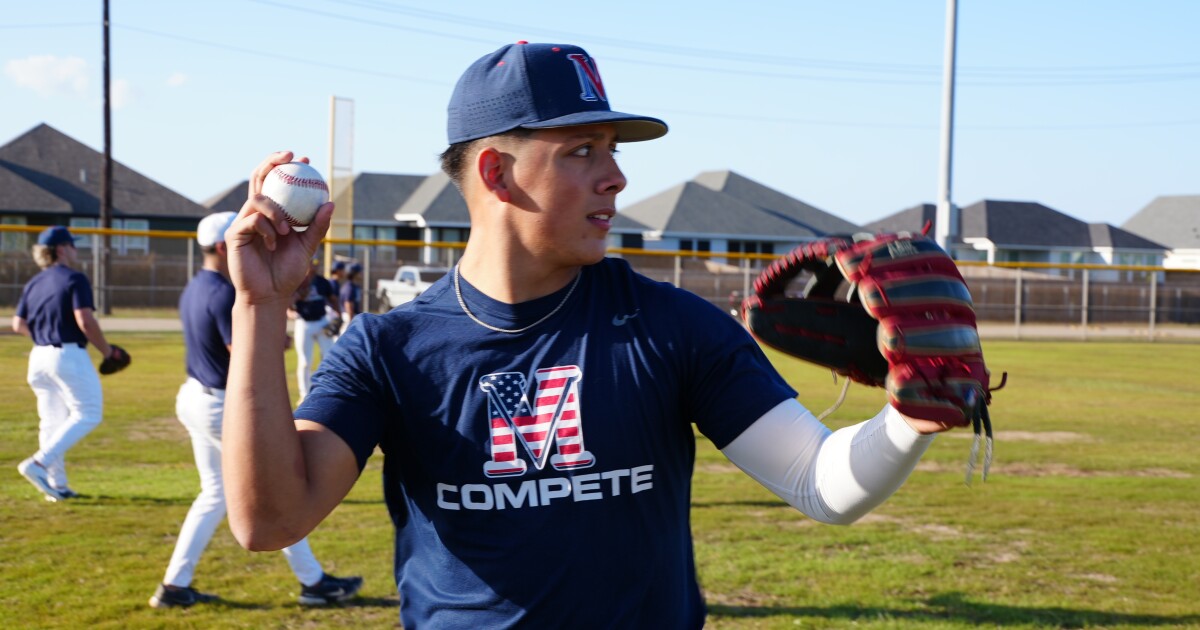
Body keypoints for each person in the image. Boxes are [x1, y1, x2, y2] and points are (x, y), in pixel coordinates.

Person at [221, 42, 960, 627]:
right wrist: (258, 307)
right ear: (497, 172)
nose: (615, 177)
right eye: (582, 150)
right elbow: (269, 519)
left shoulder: (671, 325)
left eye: (613, 149)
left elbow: (817, 481)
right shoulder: (389, 348)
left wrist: (907, 421)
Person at [149, 211, 362, 609]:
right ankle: (313, 582)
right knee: (276, 491)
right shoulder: (224, 293)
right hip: (220, 404)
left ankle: (175, 585)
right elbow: (245, 355)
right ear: (220, 247)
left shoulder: (197, 285)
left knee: (215, 494)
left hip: (196, 395)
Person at [12, 226, 120, 502]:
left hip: (38, 355)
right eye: (71, 245)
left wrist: (43, 339)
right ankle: (38, 464)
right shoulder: (74, 278)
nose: (75, 249)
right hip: (67, 354)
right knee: (89, 413)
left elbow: (18, 324)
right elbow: (85, 321)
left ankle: (55, 485)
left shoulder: (34, 282)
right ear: (61, 249)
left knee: (52, 421)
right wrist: (108, 352)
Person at [289, 258, 338, 400]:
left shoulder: (322, 281)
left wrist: (337, 315)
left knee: (329, 357)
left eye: (315, 264)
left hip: (322, 322)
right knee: (305, 361)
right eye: (311, 263)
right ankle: (304, 395)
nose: (314, 267)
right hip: (304, 323)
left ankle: (328, 389)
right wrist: (293, 308)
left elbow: (333, 299)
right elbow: (288, 304)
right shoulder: (297, 281)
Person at [338, 263, 363, 335]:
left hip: (353, 316)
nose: (361, 273)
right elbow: (348, 304)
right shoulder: (349, 287)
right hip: (348, 317)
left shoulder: (355, 286)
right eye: (359, 272)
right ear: (354, 273)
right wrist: (351, 321)